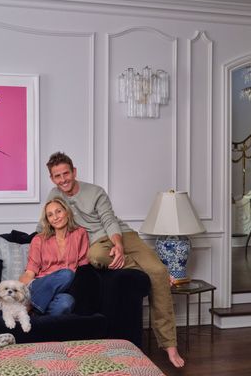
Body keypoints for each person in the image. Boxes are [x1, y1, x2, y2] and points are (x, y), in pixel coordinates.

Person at [37, 151, 185, 368]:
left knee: (159, 271)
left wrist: (118, 245)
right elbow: (43, 226)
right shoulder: (54, 195)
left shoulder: (95, 191)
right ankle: (156, 274)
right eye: (57, 176)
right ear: (52, 178)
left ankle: (170, 345)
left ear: (74, 171)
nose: (63, 180)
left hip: (121, 235)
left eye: (66, 174)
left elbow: (109, 220)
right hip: (97, 244)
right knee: (96, 256)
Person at [20, 197, 89, 315]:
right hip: (39, 284)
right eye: (50, 215)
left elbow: (83, 266)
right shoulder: (39, 239)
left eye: (58, 211)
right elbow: (29, 272)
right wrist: (19, 291)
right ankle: (29, 304)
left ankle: (34, 310)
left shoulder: (80, 234)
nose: (55, 217)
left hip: (62, 289)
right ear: (48, 220)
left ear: (67, 211)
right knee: (67, 273)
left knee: (66, 302)